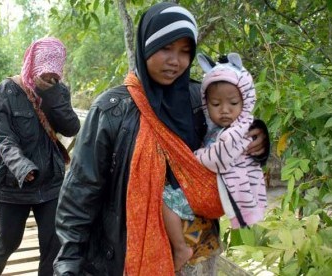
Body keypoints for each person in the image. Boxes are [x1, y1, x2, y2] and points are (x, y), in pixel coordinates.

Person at [54, 3, 270, 276]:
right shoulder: (112, 109)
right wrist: (68, 262)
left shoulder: (201, 100)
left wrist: (259, 141)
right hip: (129, 253)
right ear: (145, 46)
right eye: (166, 48)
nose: (175, 61)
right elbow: (81, 191)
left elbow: (233, 140)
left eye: (184, 51)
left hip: (199, 253)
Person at [162, 52, 268, 273]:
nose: (224, 110)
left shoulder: (239, 129)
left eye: (233, 103)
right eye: (216, 104)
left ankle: (180, 248)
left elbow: (219, 157)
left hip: (210, 198)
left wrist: (190, 158)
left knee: (166, 200)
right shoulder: (220, 124)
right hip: (206, 199)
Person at [0, 37, 80, 276]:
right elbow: (4, 138)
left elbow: (71, 128)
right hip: (12, 183)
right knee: (9, 241)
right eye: (44, 73)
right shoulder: (6, 91)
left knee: (53, 246)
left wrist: (54, 96)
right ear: (33, 64)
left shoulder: (58, 91)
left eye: (54, 75)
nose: (48, 79)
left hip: (50, 183)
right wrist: (22, 167)